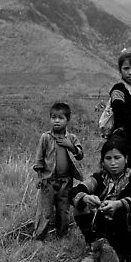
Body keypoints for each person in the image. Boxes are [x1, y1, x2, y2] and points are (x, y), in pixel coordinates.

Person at [69, 136, 131, 262]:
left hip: (128, 231)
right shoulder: (98, 177)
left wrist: (119, 204)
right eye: (108, 158)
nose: (113, 163)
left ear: (126, 158)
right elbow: (76, 191)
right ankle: (95, 250)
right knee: (79, 206)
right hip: (105, 229)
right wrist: (86, 198)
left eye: (117, 157)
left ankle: (129, 261)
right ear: (102, 161)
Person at [32, 102, 84, 240]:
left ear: (67, 120)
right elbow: (39, 158)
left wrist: (71, 146)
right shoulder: (46, 138)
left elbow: (80, 155)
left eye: (60, 118)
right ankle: (39, 236)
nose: (56, 121)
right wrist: (39, 176)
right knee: (45, 211)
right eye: (53, 117)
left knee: (63, 210)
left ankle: (62, 235)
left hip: (66, 182)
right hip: (48, 181)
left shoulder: (71, 138)